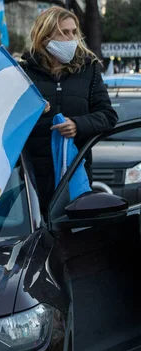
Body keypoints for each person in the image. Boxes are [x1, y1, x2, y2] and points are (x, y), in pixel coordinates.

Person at [20, 6, 118, 214]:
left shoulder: (89, 69)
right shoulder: (23, 73)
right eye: (64, 32)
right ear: (45, 37)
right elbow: (8, 121)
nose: (72, 38)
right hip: (31, 182)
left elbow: (108, 116)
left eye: (74, 32)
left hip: (74, 176)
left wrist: (77, 125)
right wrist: (31, 112)